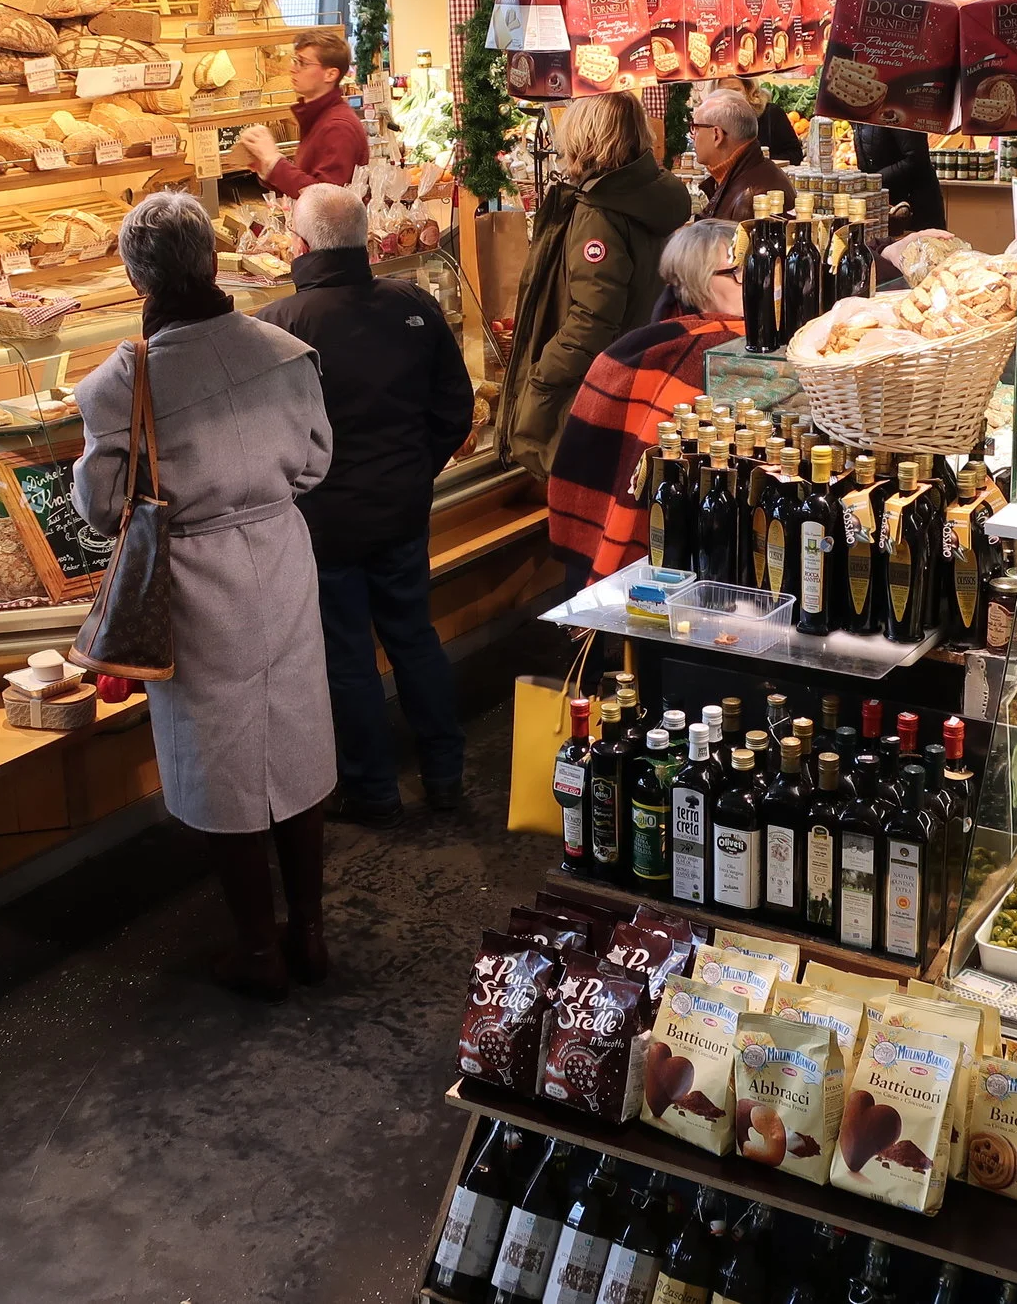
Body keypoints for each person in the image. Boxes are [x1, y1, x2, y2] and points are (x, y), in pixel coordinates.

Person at [72, 191, 336, 1001]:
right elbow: (317, 460)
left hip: (191, 575)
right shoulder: (284, 351)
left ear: (136, 279)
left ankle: (257, 947)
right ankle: (310, 934)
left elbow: (101, 506)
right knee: (295, 737)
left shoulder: (121, 383)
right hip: (281, 554)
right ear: (214, 260)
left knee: (220, 757)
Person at [256, 185, 475, 827]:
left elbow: (266, 439)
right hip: (401, 510)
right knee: (415, 638)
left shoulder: (275, 326)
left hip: (322, 522)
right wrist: (415, 471)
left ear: (298, 245)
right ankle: (445, 775)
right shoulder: (412, 302)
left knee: (347, 657)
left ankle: (372, 790)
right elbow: (455, 406)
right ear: (363, 240)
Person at [498, 92, 692, 480]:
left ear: (587, 139)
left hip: (597, 385)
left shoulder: (600, 210)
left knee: (584, 497)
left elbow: (593, 318)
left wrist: (542, 377)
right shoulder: (651, 194)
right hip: (639, 371)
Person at [546, 219, 746, 587]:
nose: (760, 281)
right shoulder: (689, 352)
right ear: (700, 281)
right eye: (737, 272)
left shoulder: (651, 342)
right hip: (670, 557)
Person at [235, 27, 368, 196]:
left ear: (330, 74)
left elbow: (325, 200)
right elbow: (304, 185)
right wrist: (265, 167)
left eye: (303, 63)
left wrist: (274, 162)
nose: (293, 69)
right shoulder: (318, 118)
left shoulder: (338, 127)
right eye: (295, 60)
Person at [688, 88, 792, 224]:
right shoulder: (744, 175)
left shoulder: (751, 199)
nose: (692, 136)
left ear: (716, 135)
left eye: (695, 128)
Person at [852, 122, 946, 237]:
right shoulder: (859, 117)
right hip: (885, 205)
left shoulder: (899, 113)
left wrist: (873, 181)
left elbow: (916, 158)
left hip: (916, 204)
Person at [723, 74, 804, 163]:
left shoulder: (771, 113)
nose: (730, 96)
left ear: (748, 90)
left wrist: (764, 161)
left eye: (736, 90)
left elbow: (795, 154)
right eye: (724, 91)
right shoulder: (713, 120)